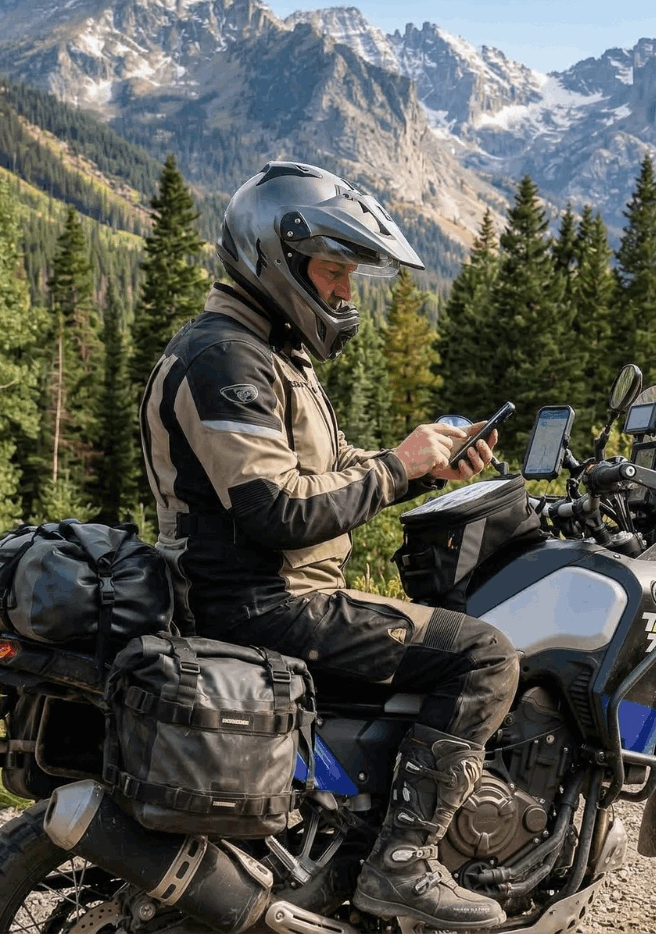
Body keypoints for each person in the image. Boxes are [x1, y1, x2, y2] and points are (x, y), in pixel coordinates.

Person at [139, 161, 514, 929]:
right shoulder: (227, 360)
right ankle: (404, 864)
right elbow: (276, 509)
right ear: (275, 260)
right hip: (264, 605)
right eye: (334, 272)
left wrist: (423, 465)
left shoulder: (269, 351)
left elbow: (328, 476)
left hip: (267, 597)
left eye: (351, 276)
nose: (345, 293)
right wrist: (400, 461)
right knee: (484, 656)